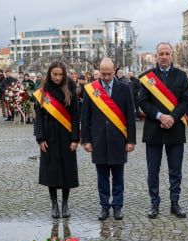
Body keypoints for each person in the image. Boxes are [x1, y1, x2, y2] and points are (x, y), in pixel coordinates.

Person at [138, 42, 188, 219]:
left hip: (175, 129)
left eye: (167, 53)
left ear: (172, 55)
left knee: (175, 170)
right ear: (156, 56)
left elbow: (185, 101)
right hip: (154, 129)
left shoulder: (181, 76)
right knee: (153, 170)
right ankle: (154, 203)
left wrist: (171, 118)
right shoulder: (147, 77)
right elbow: (143, 102)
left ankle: (175, 203)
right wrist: (160, 116)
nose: (164, 57)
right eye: (161, 54)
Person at [81, 58, 136, 221]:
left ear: (114, 71)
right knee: (102, 177)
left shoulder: (124, 88)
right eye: (103, 74)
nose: (105, 77)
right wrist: (86, 140)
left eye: (109, 74)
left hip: (118, 140)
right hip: (98, 140)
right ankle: (104, 206)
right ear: (99, 70)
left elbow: (130, 117)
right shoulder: (91, 89)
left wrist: (131, 141)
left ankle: (118, 206)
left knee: (118, 176)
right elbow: (85, 117)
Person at [33, 61, 80, 219]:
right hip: (49, 136)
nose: (58, 77)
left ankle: (65, 204)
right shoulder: (43, 91)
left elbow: (75, 116)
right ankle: (54, 204)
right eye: (55, 74)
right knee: (51, 171)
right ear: (49, 74)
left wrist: (75, 138)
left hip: (66, 136)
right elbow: (38, 117)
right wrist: (40, 138)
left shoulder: (71, 88)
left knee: (67, 171)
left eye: (61, 74)